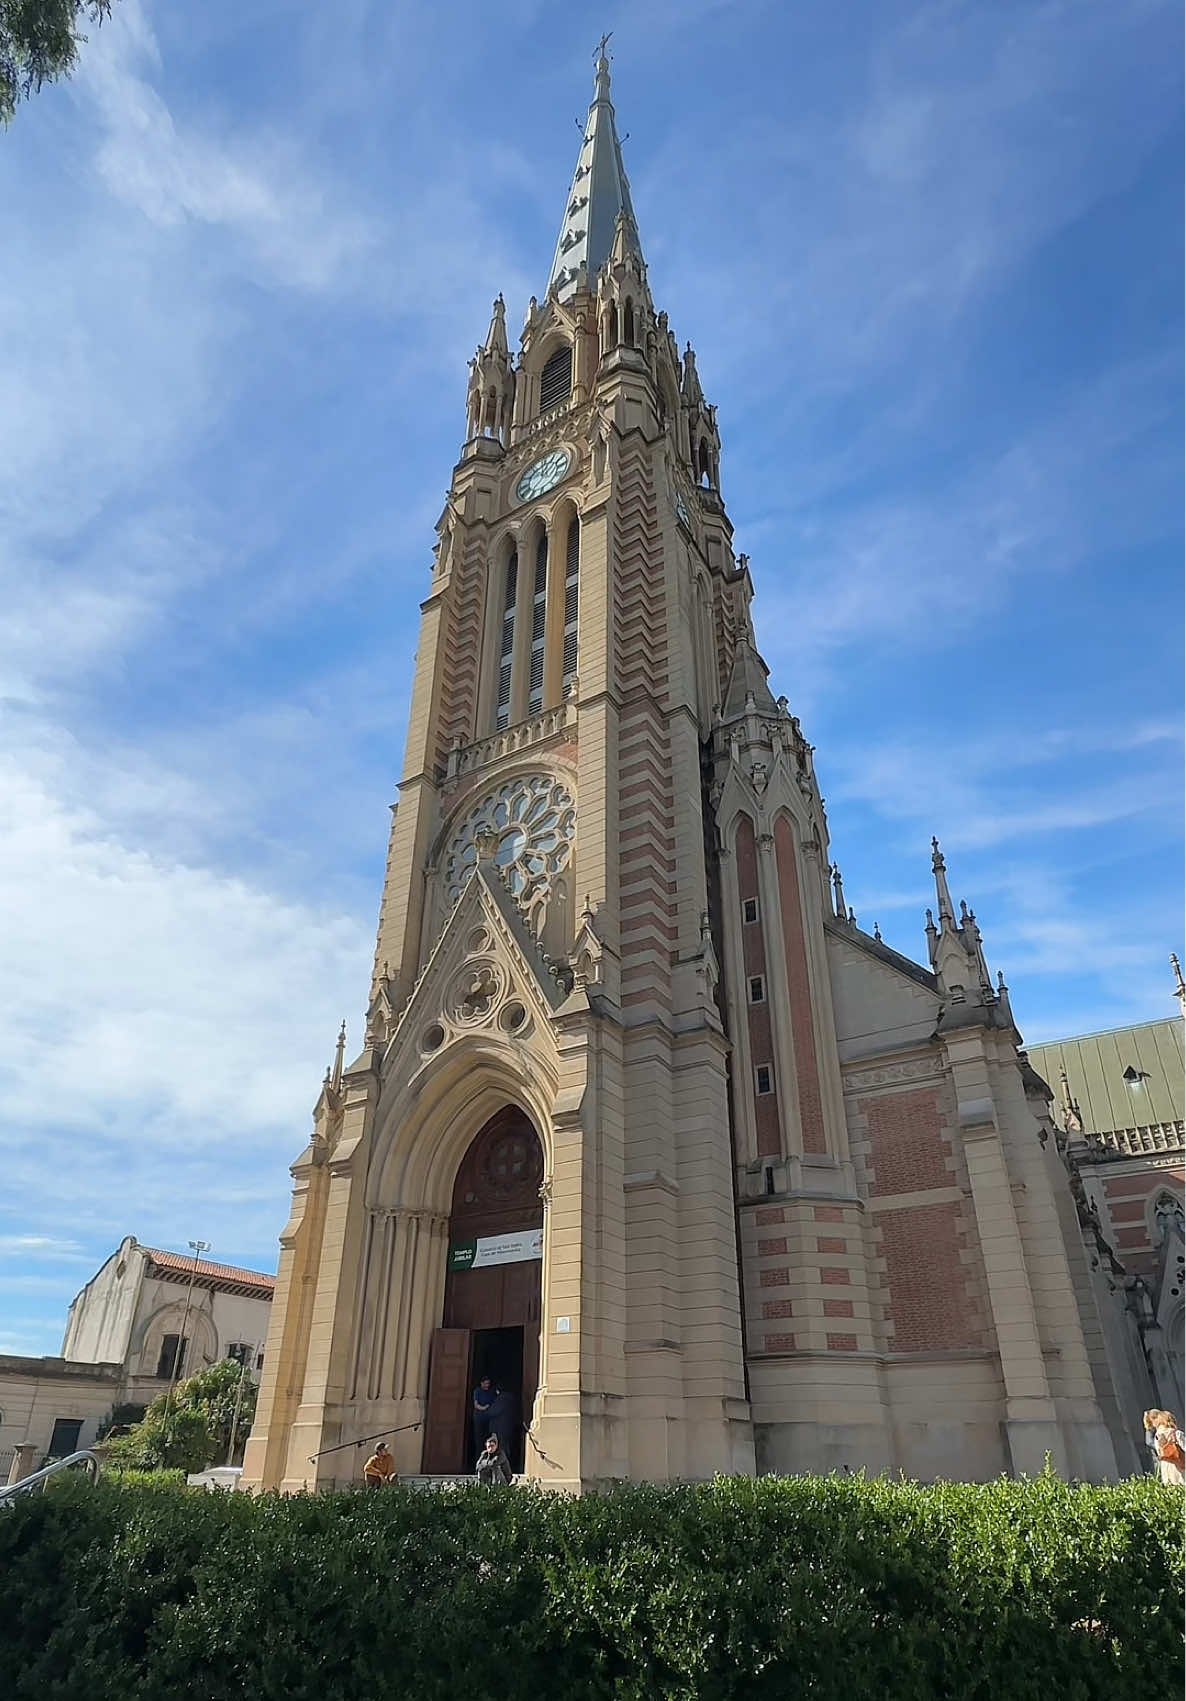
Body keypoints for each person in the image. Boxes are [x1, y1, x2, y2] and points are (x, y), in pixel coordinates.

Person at [1143, 1410, 1185, 1486]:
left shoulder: (1157, 1437)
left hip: (1166, 1469)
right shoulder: (1177, 1433)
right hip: (1180, 1468)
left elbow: (1151, 1444)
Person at [472, 1375, 495, 1455]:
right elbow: (476, 1404)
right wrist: (484, 1408)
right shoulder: (477, 1391)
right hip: (478, 1418)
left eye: (488, 1383)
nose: (487, 1385)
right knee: (479, 1440)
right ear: (481, 1383)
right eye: (485, 1384)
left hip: (488, 1419)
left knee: (488, 1440)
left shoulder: (490, 1392)